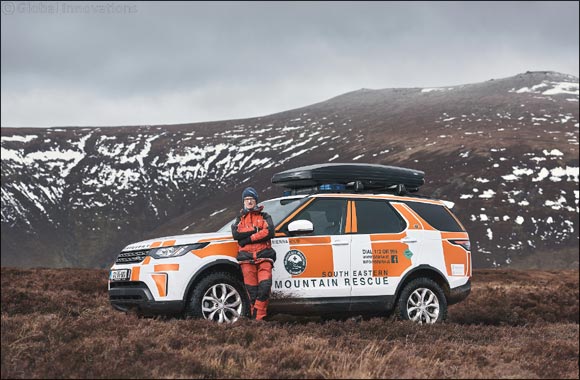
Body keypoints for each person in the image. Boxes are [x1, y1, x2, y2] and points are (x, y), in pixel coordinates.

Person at [231, 187, 276, 320]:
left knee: (264, 288)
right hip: (246, 259)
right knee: (252, 291)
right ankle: (257, 320)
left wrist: (248, 239)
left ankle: (258, 319)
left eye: (251, 199)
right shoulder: (239, 218)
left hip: (264, 256)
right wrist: (256, 230)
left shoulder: (265, 216)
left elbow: (269, 232)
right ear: (243, 202)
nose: (249, 202)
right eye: (246, 199)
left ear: (256, 201)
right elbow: (236, 234)